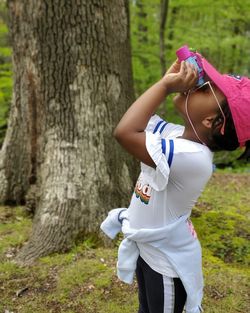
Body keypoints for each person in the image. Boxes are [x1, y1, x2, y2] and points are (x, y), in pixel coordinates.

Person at [100, 52, 250, 313]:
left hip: (167, 264)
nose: (198, 84)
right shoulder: (177, 137)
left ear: (212, 122)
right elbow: (139, 120)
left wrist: (166, 87)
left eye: (206, 88)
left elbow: (124, 132)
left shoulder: (192, 157)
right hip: (150, 250)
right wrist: (163, 82)